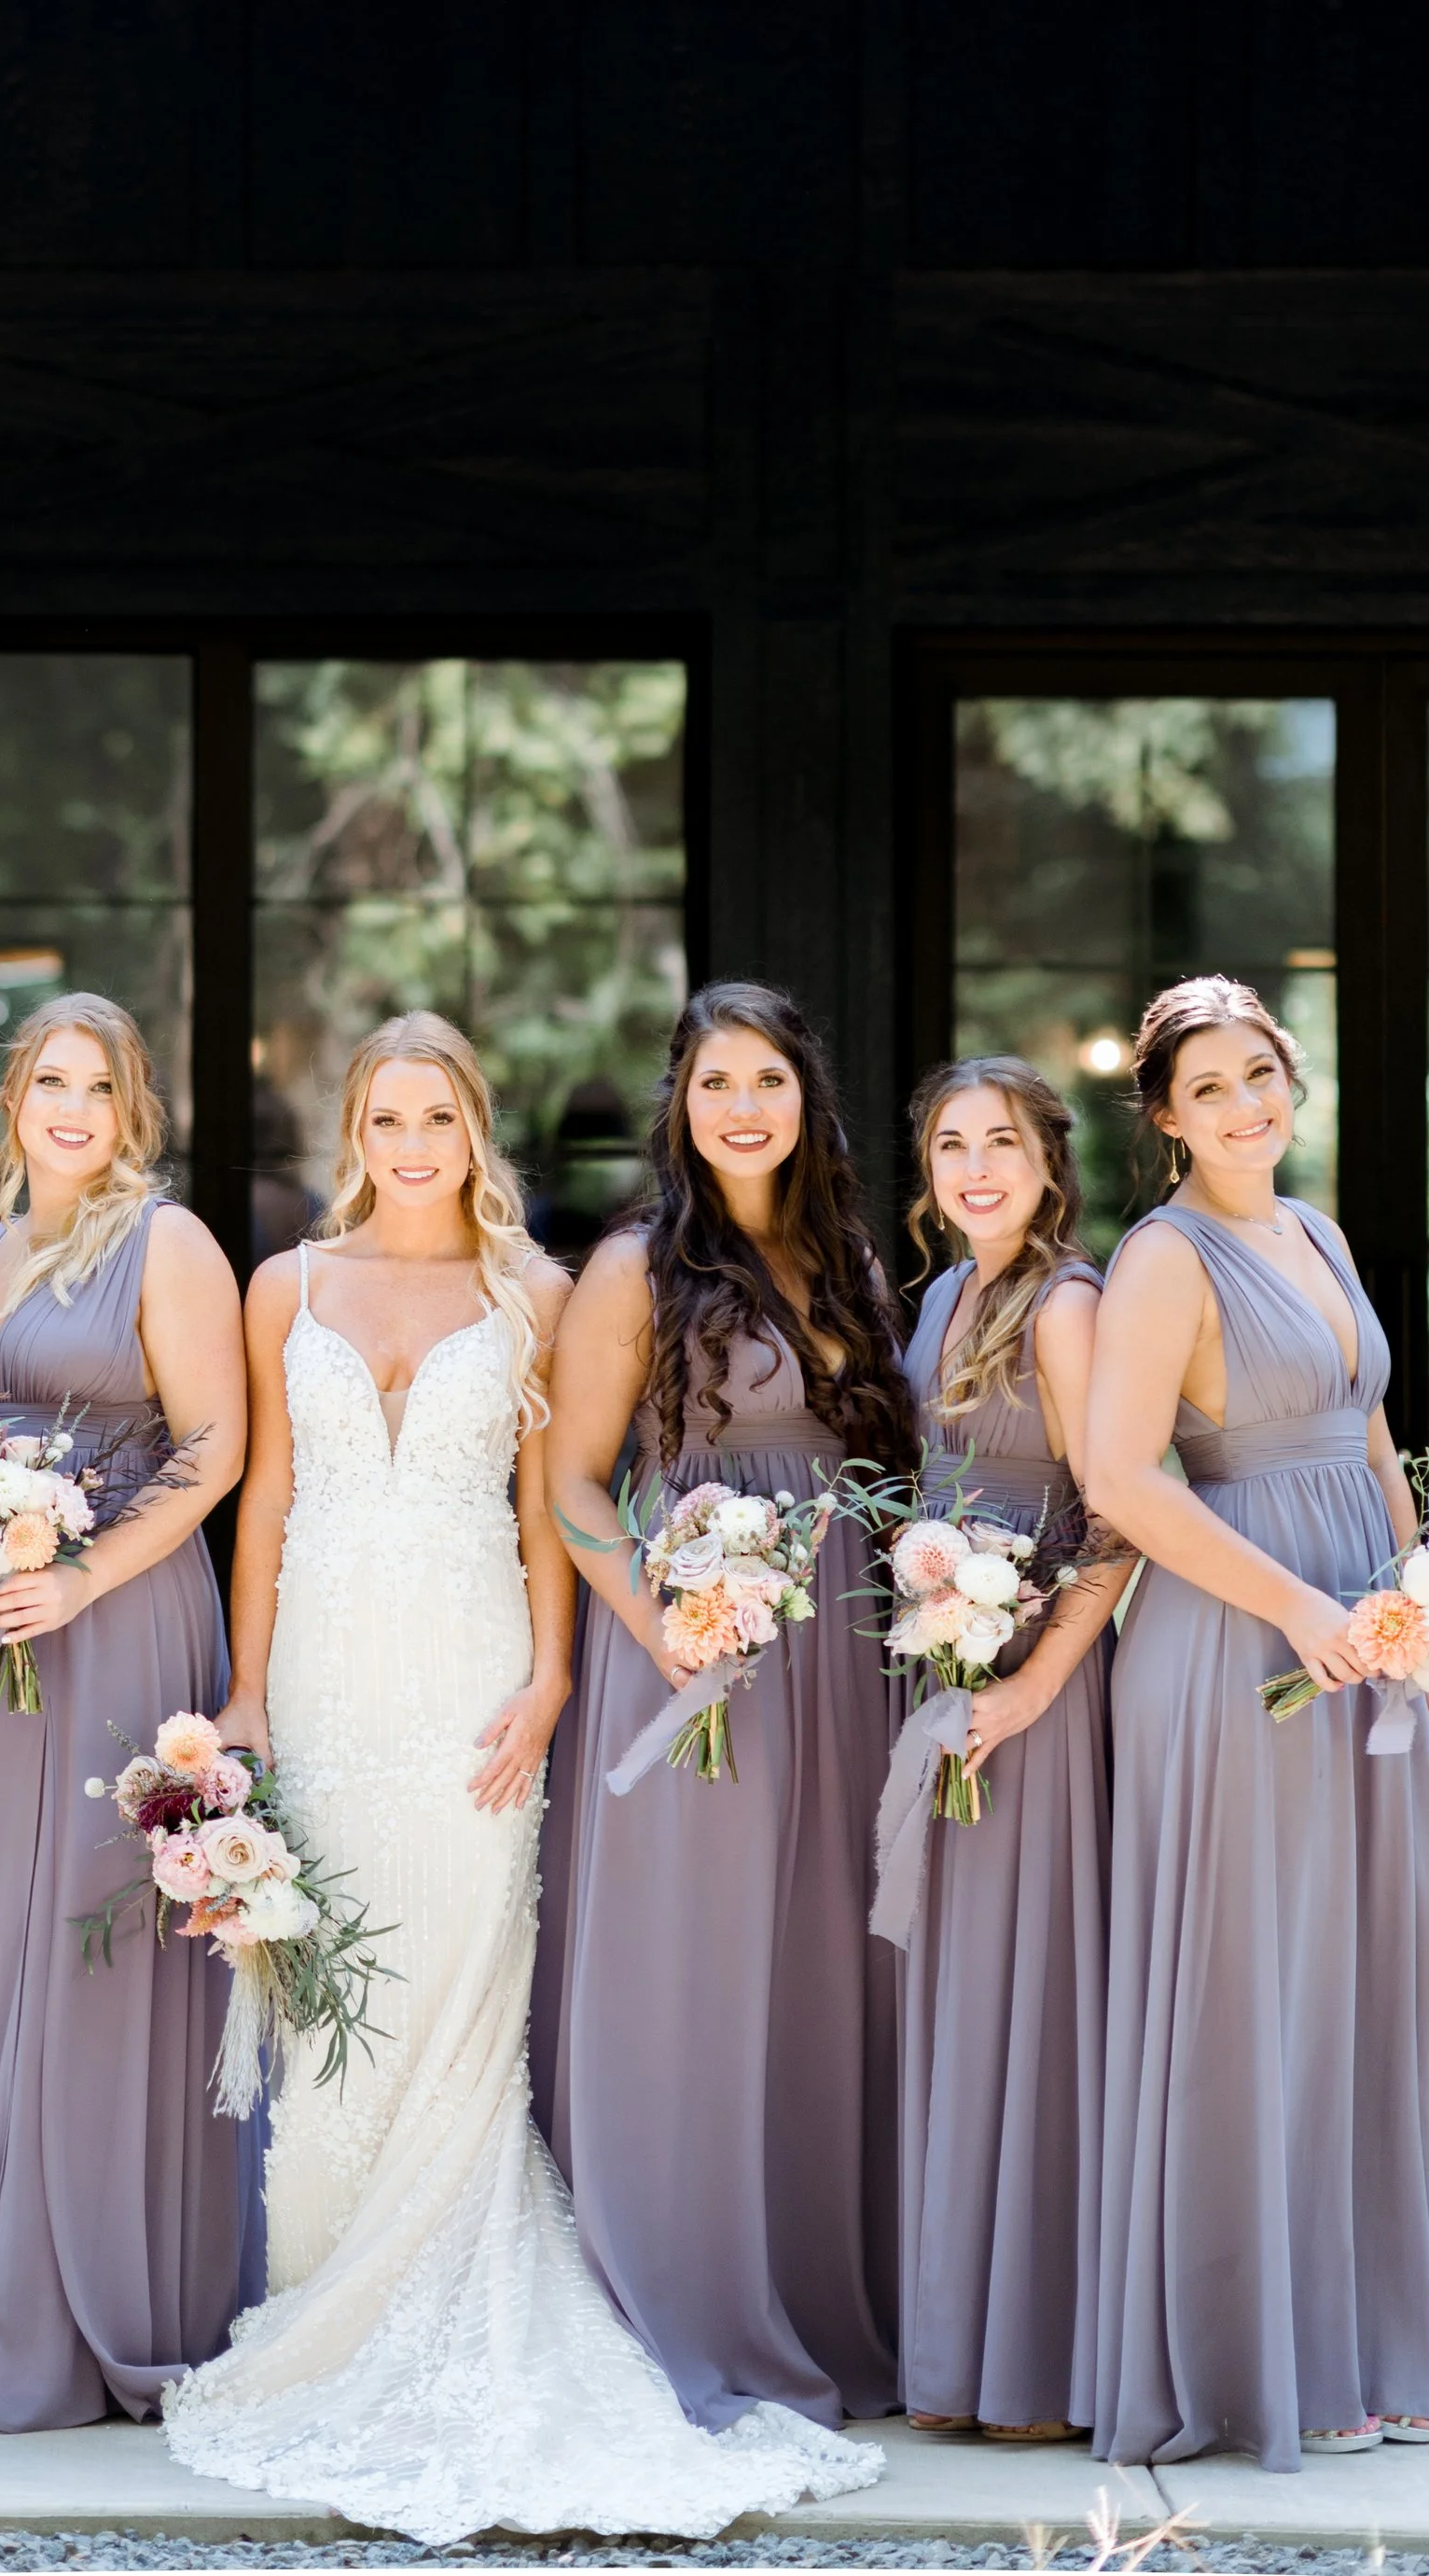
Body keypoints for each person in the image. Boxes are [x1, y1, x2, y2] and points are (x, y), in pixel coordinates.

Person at [163, 1010, 881, 2542]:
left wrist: (555, 1677)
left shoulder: (537, 1289)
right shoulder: (283, 1283)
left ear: (475, 1130)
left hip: (480, 1662)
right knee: (327, 1981)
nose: (412, 1147)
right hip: (328, 1673)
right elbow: (271, 1502)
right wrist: (241, 1692)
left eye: (439, 1120)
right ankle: (320, 2294)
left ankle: (459, 2281)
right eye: (386, 1120)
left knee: (465, 1987)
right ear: (353, 1131)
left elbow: (554, 1497)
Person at [1088, 973, 1429, 2468]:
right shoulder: (1163, 1258)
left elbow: (1377, 1444)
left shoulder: (1319, 1233)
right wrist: (1297, 1609)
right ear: (1163, 1118)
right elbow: (1124, 1480)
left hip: (1365, 1646)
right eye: (1207, 1089)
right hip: (1238, 1658)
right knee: (1270, 2003)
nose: (1244, 1106)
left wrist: (1428, 1649)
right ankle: (1280, 2362)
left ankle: (1389, 2334)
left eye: (1260, 1074)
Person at [535, 980, 910, 2432]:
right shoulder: (633, 1269)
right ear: (678, 1109)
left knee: (819, 1966)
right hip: (689, 1652)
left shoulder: (855, 1264)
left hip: (841, 1656)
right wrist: (665, 1626)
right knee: (688, 1971)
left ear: (806, 1098)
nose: (741, 1107)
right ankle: (675, 2296)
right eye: (712, 1085)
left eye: (766, 1079)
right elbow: (573, 1484)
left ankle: (818, 2295)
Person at [0, 993, 252, 2432]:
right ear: (11, 1102)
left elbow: (220, 1447)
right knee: (1, 1971)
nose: (69, 1108)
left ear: (131, 1114)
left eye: (97, 1089)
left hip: (116, 1632)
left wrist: (87, 1573)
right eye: (48, 1080)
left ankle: (67, 2333)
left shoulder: (163, 1243)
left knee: (88, 1974)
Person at [890, 1058, 1119, 2446]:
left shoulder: (1072, 1307)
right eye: (951, 1145)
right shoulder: (937, 1300)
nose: (976, 1167)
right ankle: (960, 2349)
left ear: (1050, 1163)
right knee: (962, 1995)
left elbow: (1115, 1519)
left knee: (1032, 1997)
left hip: (1037, 1691)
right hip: (945, 1674)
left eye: (1003, 1144)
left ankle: (1034, 2359)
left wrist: (1033, 1687)